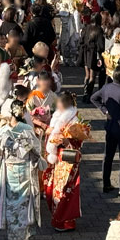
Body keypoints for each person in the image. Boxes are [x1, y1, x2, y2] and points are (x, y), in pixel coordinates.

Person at [0, 99, 44, 240]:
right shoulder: (27, 130)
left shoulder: (4, 131)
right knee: (25, 203)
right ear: (23, 113)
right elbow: (36, 150)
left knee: (11, 203)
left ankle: (14, 236)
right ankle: (24, 234)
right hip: (25, 170)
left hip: (9, 170)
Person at [43, 92, 90, 232]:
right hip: (58, 157)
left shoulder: (75, 120)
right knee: (56, 187)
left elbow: (79, 140)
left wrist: (67, 141)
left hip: (69, 159)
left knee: (66, 189)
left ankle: (66, 221)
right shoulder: (58, 117)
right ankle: (59, 218)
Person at [91, 63, 120, 198]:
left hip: (111, 127)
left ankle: (106, 183)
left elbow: (94, 98)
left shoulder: (107, 87)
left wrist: (105, 111)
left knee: (108, 156)